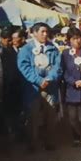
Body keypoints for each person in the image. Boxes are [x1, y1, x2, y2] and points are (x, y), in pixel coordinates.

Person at [17, 22, 62, 152]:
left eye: (46, 31)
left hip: (49, 88)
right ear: (34, 33)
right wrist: (38, 80)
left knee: (50, 116)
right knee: (33, 117)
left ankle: (49, 141)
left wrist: (49, 78)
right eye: (42, 31)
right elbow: (23, 67)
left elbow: (57, 67)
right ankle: (32, 143)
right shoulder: (26, 49)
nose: (45, 34)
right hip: (33, 89)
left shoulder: (53, 48)